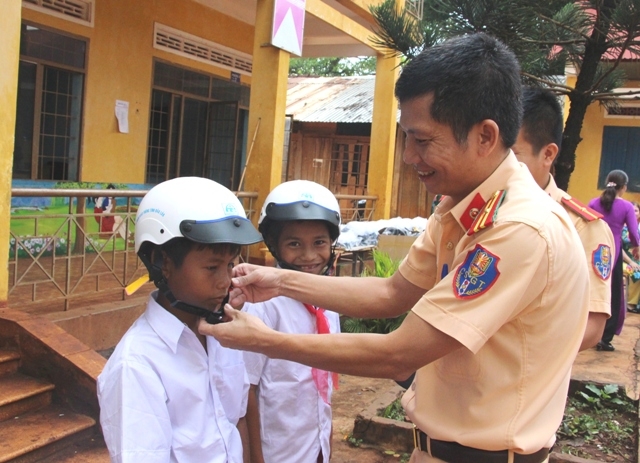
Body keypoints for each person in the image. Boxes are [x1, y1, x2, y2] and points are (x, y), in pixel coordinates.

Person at [200, 33, 589, 463]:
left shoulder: (518, 229)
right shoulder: (458, 206)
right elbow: (392, 293)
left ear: (484, 136)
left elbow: (398, 352)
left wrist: (266, 341)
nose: (408, 157)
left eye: (422, 141)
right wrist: (281, 281)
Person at [97, 176, 263, 463]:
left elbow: (235, 421)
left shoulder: (224, 335)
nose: (226, 281)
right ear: (163, 262)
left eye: (230, 264)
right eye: (212, 267)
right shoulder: (137, 366)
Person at [243, 180, 341, 463]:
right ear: (274, 246)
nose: (309, 256)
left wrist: (327, 443)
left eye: (319, 243)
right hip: (279, 451)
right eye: (294, 243)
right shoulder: (262, 305)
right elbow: (246, 390)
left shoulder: (330, 300)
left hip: (315, 446)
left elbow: (324, 384)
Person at [511, 87, 614, 351]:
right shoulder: (477, 211)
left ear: (548, 154)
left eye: (512, 155)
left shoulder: (582, 227)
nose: (499, 167)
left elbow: (591, 328)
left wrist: (507, 356)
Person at [588, 170, 640, 351]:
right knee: (613, 295)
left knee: (592, 291)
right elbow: (634, 232)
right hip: (614, 254)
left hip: (594, 253)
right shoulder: (626, 207)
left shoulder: (594, 203)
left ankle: (587, 334)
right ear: (624, 187)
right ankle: (605, 338)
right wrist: (636, 247)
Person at [623, 202, 640, 313]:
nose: (634, 213)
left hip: (637, 259)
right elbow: (623, 241)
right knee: (636, 273)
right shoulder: (623, 226)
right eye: (632, 211)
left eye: (636, 211)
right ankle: (630, 303)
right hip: (624, 259)